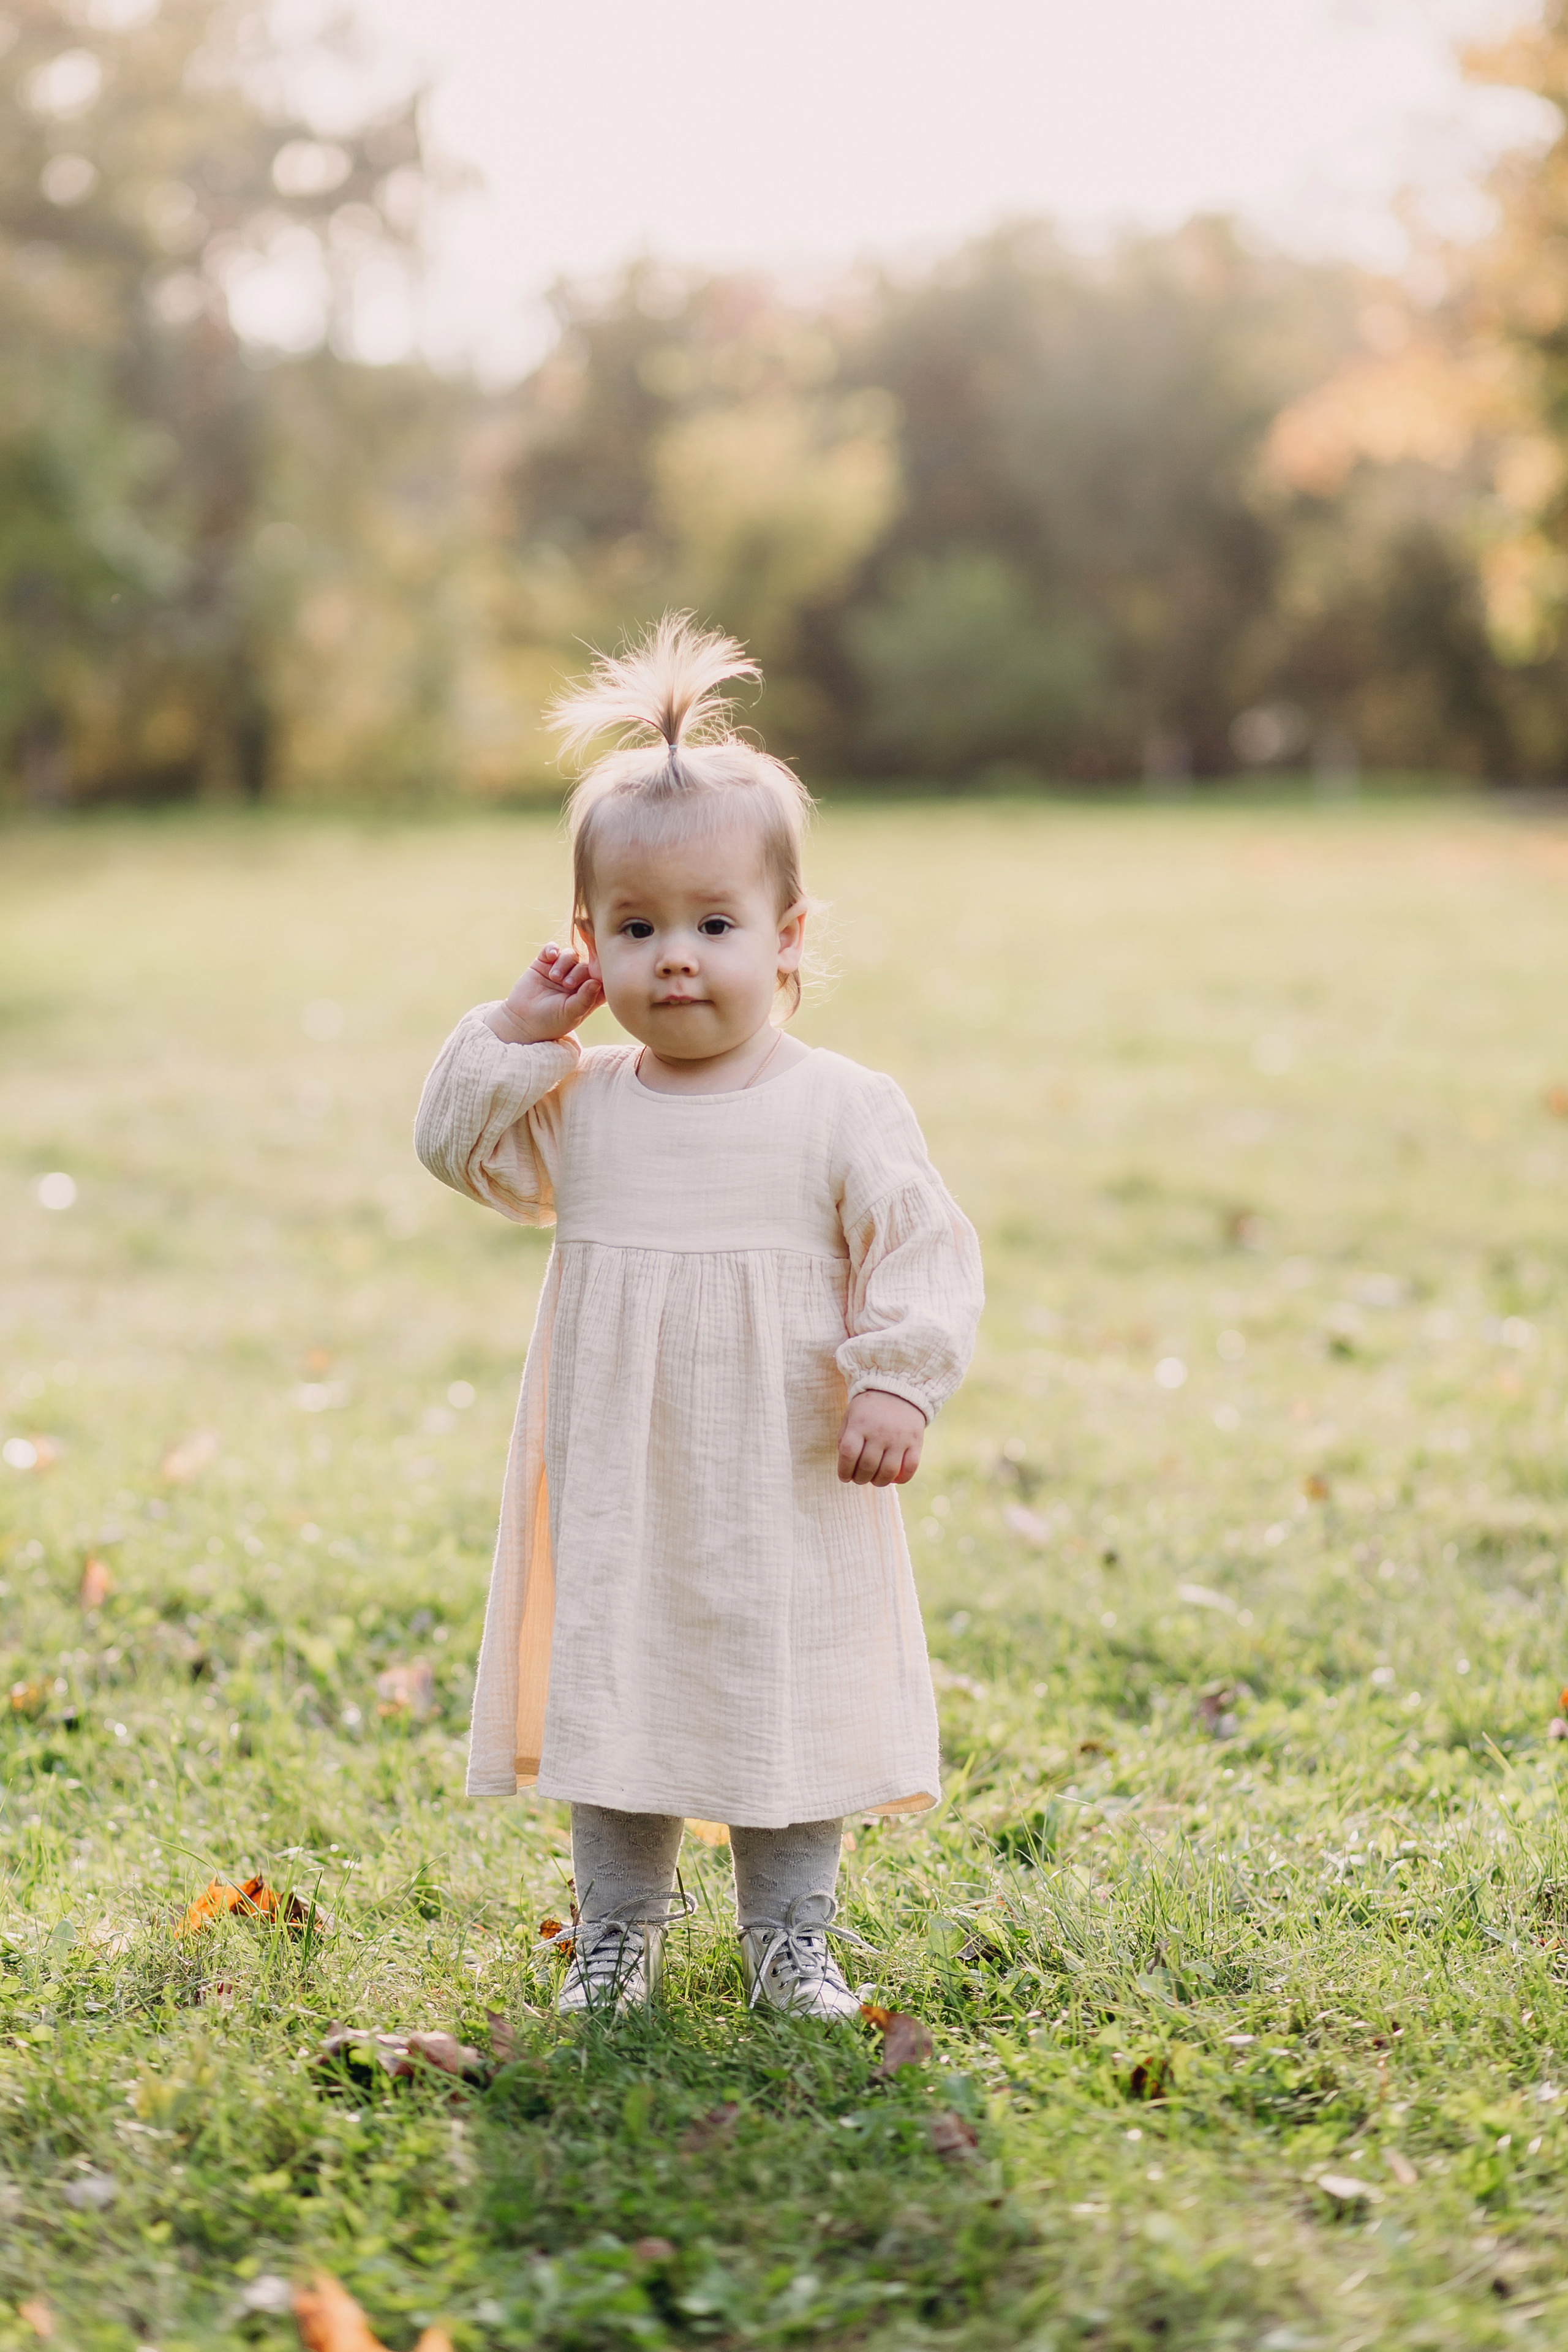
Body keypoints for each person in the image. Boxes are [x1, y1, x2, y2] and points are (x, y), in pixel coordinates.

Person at [415, 614, 982, 2021]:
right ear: (588, 941)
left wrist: (896, 1382)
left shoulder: (837, 1102)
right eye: (637, 928)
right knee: (619, 1677)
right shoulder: (581, 1100)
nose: (675, 960)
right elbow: (450, 1148)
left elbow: (917, 1242)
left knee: (780, 1684)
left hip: (788, 1462)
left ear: (784, 936)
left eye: (713, 926)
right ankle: (615, 1937)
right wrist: (518, 1030)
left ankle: (792, 1938)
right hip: (620, 1468)